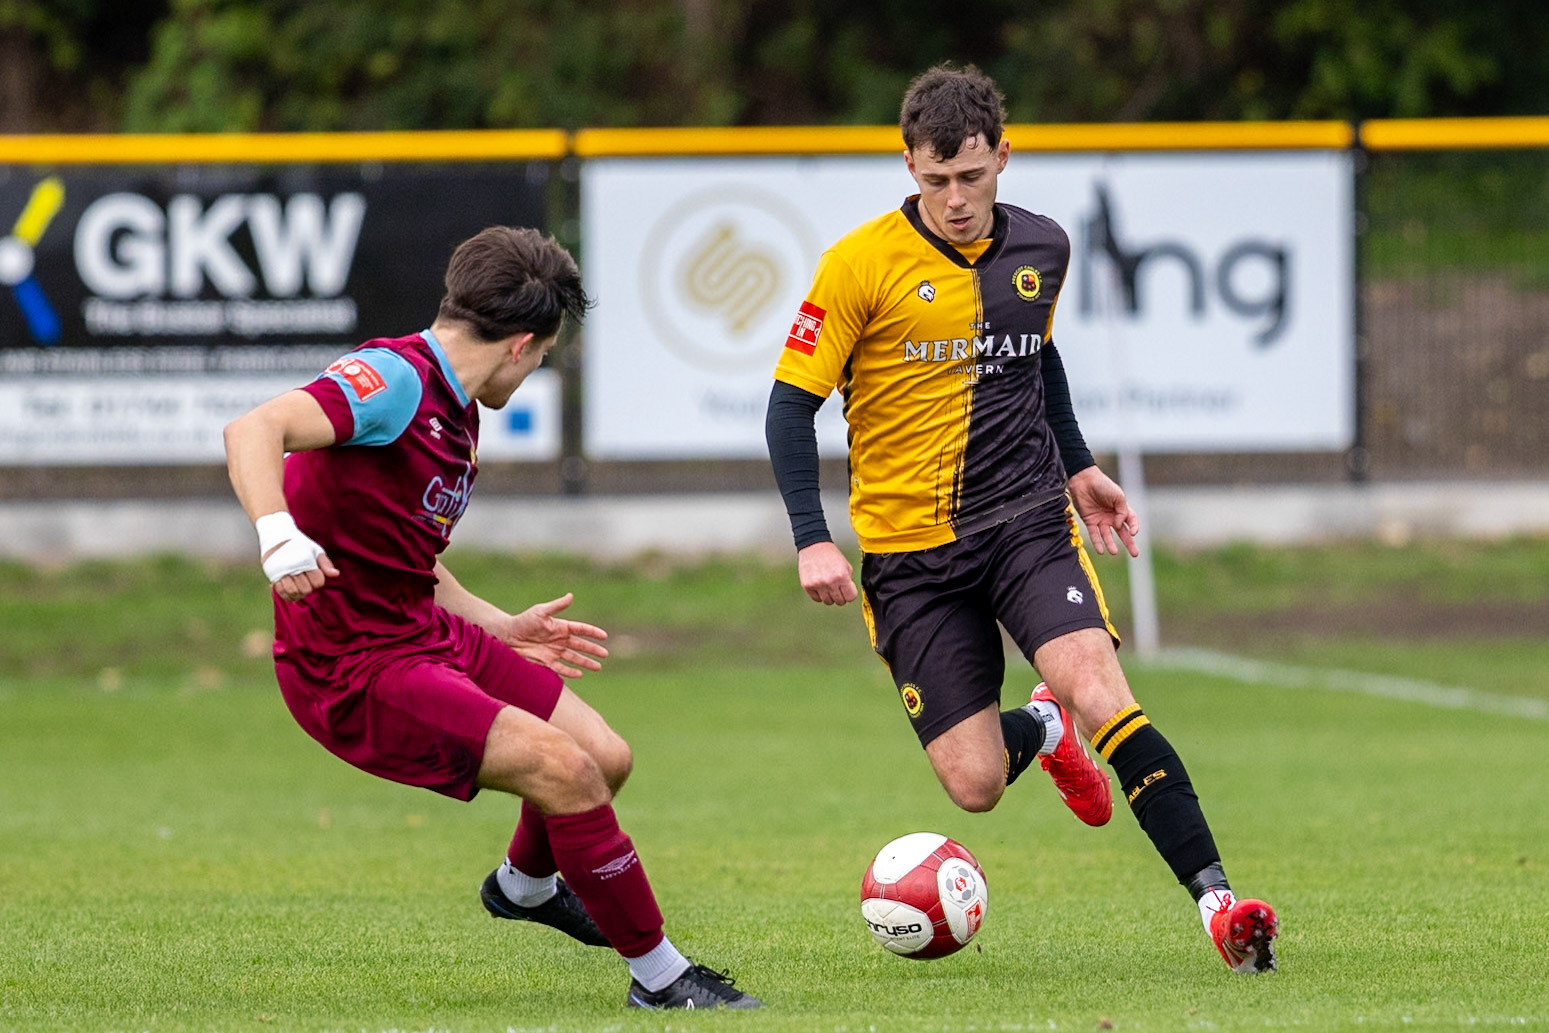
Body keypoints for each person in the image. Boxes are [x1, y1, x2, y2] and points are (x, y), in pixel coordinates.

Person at [764, 64, 1278, 974]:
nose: (955, 199)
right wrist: (810, 535)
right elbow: (787, 406)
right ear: (908, 165)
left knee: (1103, 690)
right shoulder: (856, 264)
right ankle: (1039, 731)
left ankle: (1220, 908)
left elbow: (1036, 359)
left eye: (971, 176)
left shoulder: (1043, 246)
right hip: (907, 556)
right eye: (935, 180)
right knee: (972, 784)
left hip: (1025, 521)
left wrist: (1077, 465)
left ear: (1003, 157)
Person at [224, 225, 760, 1009]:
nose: (538, 366)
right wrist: (277, 536)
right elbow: (254, 428)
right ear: (519, 345)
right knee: (563, 772)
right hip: (352, 666)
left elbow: (404, 553)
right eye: (543, 354)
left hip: (420, 631)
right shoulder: (395, 381)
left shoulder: (456, 402)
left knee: (602, 756)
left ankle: (526, 887)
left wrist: (498, 624)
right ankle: (663, 978)